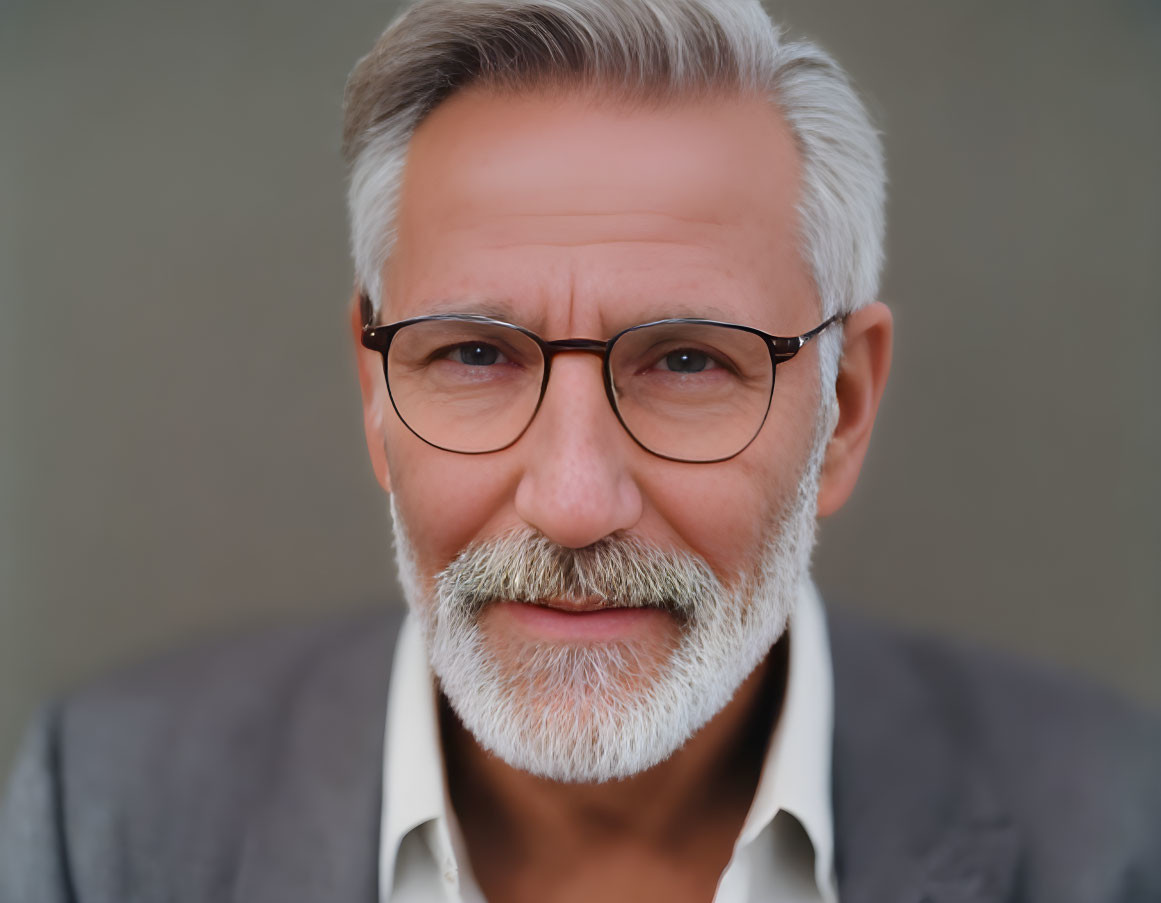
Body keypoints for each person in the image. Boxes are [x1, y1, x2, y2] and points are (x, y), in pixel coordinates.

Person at [1, 1, 1158, 901]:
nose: (570, 502)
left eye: (689, 363)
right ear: (374, 388)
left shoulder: (1120, 831)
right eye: (472, 356)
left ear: (843, 409)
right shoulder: (100, 816)